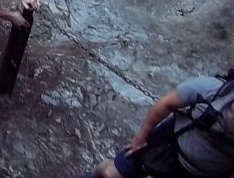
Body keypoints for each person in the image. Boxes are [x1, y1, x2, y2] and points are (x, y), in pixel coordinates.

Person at [84, 74, 234, 178]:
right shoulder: (212, 89)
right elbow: (165, 104)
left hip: (205, 174)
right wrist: (140, 138)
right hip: (169, 145)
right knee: (111, 174)